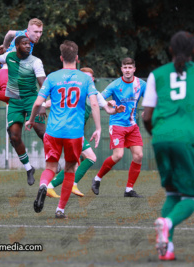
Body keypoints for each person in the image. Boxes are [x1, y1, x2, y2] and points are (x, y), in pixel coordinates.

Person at [142, 31, 194, 261]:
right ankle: (167, 223)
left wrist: (158, 135)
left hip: (160, 137)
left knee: (172, 193)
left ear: (170, 50)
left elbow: (147, 116)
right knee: (191, 198)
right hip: (187, 140)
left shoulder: (156, 74)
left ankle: (167, 249)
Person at [25, 40, 101, 219]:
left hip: (53, 131)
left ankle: (44, 185)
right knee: (70, 169)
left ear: (61, 58)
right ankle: (60, 209)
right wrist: (98, 128)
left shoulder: (52, 77)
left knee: (51, 166)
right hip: (74, 134)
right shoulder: (84, 78)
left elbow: (38, 102)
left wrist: (31, 120)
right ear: (77, 58)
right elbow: (95, 103)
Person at [46, 67, 125, 198]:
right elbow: (53, 101)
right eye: (84, 76)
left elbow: (107, 109)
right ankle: (69, 184)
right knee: (90, 158)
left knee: (76, 163)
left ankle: (51, 186)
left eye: (89, 77)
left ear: (93, 79)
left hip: (76, 133)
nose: (86, 79)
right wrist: (41, 106)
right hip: (69, 131)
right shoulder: (75, 91)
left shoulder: (95, 94)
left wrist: (115, 110)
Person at [0, 35, 46, 185]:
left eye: (29, 44)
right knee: (14, 136)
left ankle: (52, 159)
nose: (28, 46)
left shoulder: (35, 61)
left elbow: (43, 84)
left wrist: (43, 104)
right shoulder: (9, 56)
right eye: (24, 44)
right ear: (17, 46)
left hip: (31, 99)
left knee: (41, 131)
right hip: (14, 101)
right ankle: (28, 168)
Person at [91, 57, 146, 198]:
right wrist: (110, 102)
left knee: (139, 155)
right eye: (125, 68)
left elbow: (151, 99)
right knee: (118, 155)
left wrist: (147, 109)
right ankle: (97, 179)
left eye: (130, 67)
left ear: (134, 69)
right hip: (117, 125)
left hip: (132, 125)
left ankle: (129, 190)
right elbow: (100, 98)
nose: (127, 70)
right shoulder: (115, 85)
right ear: (121, 69)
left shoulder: (141, 84)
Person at [0, 18, 44, 103]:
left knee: (14, 105)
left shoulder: (22, 33)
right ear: (28, 30)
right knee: (16, 98)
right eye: (36, 32)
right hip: (6, 76)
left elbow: (10, 33)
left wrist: (4, 46)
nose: (38, 35)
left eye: (40, 32)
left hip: (0, 74)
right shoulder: (24, 46)